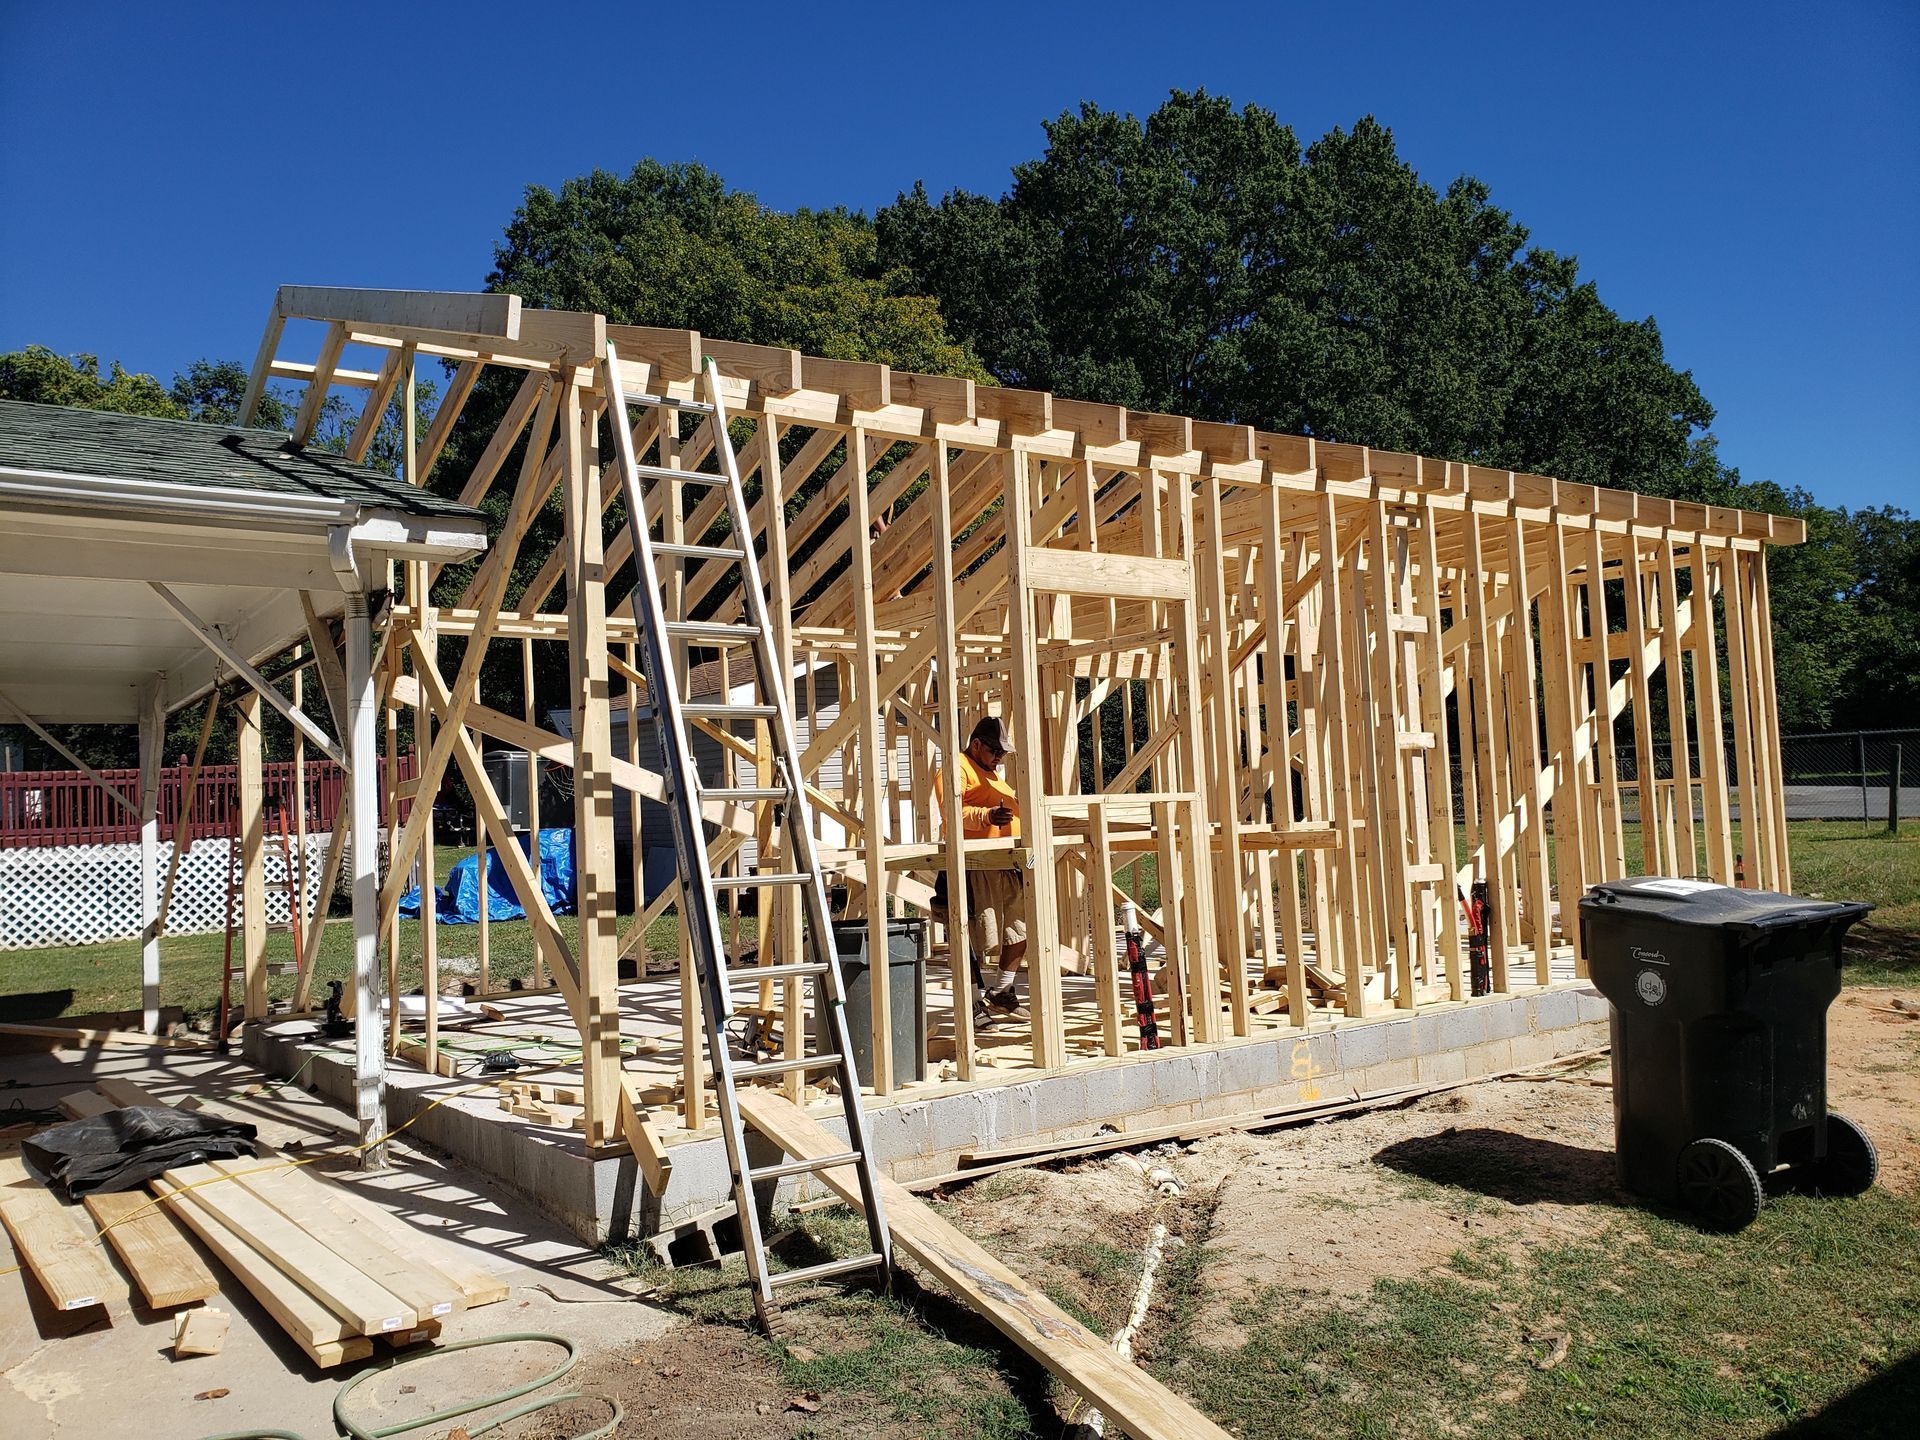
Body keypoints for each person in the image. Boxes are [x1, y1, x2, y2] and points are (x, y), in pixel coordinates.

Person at [930, 715, 1027, 1025]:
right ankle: (972, 1003)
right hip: (973, 864)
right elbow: (952, 810)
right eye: (994, 752)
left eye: (1002, 753)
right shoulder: (956, 767)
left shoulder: (993, 774)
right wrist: (986, 816)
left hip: (1003, 863)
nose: (999, 758)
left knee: (1019, 930)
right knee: (969, 935)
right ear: (976, 745)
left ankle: (1001, 994)